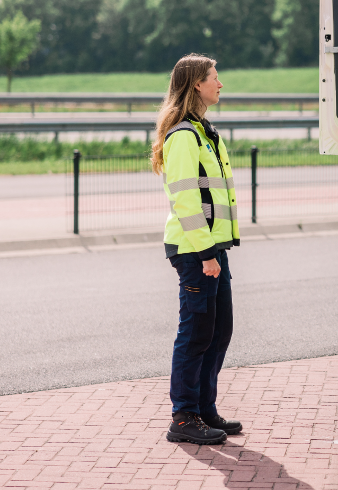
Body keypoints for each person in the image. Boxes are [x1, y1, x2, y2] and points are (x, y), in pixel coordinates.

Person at [151, 53, 242, 445]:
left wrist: (214, 249)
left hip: (210, 247)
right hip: (195, 250)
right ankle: (184, 417)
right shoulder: (185, 136)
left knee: (219, 331)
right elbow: (187, 202)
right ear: (196, 86)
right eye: (214, 78)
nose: (220, 84)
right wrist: (206, 254)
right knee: (195, 334)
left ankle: (204, 408)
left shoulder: (204, 131)